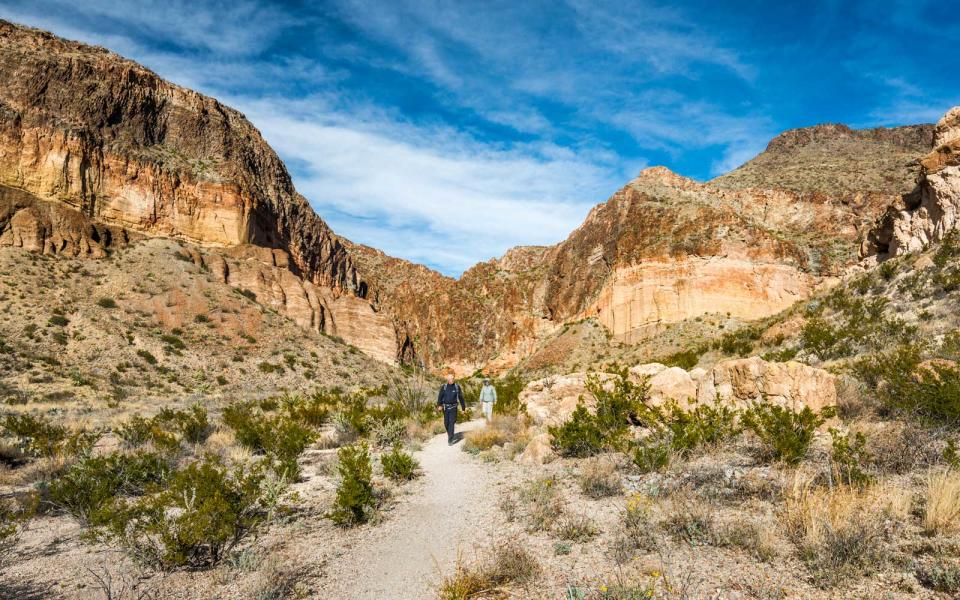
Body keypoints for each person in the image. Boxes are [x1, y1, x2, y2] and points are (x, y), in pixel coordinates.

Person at [437, 371, 466, 445]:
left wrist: (463, 408)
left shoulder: (456, 387)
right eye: (450, 379)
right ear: (447, 379)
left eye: (453, 378)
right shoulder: (444, 387)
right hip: (445, 408)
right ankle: (450, 434)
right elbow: (440, 397)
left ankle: (450, 439)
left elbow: (461, 398)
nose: (451, 380)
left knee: (451, 423)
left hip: (454, 408)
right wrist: (439, 405)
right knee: (446, 423)